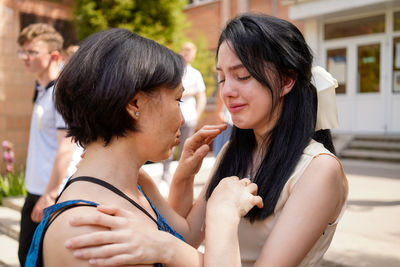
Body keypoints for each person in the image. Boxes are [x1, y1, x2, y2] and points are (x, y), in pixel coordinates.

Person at [62, 14, 348, 266]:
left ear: (287, 81)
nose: (227, 92)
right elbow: (187, 235)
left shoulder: (319, 169)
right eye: (222, 78)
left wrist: (164, 247)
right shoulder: (234, 153)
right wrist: (178, 178)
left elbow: (178, 246)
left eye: (243, 76)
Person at [24, 28, 260, 267]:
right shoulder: (88, 230)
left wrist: (185, 177)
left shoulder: (133, 182)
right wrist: (224, 217)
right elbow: (173, 246)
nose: (182, 119)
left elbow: (183, 237)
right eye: (178, 99)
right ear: (134, 103)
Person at [16, 23, 76, 266]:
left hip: (51, 193)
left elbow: (67, 146)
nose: (25, 58)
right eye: (23, 51)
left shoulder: (61, 93)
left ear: (53, 56)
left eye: (32, 52)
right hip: (36, 188)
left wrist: (49, 195)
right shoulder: (41, 88)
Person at [160, 42, 207, 186]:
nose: (187, 55)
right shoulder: (174, 71)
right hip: (173, 116)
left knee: (186, 148)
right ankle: (165, 176)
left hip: (189, 117)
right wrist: (188, 91)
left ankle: (180, 178)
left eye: (190, 52)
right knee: (168, 146)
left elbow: (202, 96)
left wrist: (198, 115)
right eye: (185, 52)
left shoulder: (195, 74)